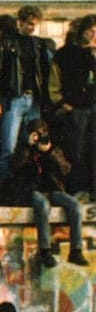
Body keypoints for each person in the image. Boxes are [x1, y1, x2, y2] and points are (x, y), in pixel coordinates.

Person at [5, 119, 87, 267]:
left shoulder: (54, 149)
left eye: (41, 134)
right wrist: (27, 147)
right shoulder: (23, 149)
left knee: (75, 205)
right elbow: (14, 167)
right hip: (30, 189)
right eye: (35, 134)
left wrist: (49, 152)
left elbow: (65, 170)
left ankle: (76, 250)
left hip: (53, 189)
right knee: (42, 205)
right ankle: (45, 250)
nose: (38, 138)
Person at [0, 7, 53, 182]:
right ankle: (5, 187)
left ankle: (29, 184)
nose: (32, 28)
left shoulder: (39, 45)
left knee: (33, 143)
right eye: (29, 24)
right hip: (14, 98)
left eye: (35, 25)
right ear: (21, 22)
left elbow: (45, 75)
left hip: (34, 99)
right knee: (8, 146)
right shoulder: (6, 43)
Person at [54, 14, 96, 198]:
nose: (94, 35)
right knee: (76, 150)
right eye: (91, 31)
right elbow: (54, 83)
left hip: (94, 108)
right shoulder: (65, 54)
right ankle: (77, 188)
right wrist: (62, 103)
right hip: (75, 109)